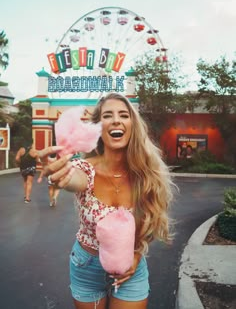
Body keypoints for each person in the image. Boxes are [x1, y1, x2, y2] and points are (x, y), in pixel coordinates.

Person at [38, 93, 174, 309]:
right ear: (97, 128)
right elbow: (75, 179)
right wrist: (62, 175)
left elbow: (151, 220)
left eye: (123, 115)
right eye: (107, 116)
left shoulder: (147, 174)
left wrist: (137, 255)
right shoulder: (86, 169)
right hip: (86, 265)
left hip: (131, 266)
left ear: (132, 125)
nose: (116, 120)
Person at [15, 139, 40, 203]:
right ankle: (27, 198)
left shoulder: (21, 150)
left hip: (23, 168)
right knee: (29, 182)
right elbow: (37, 160)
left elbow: (17, 158)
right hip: (31, 168)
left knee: (25, 181)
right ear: (31, 144)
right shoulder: (33, 151)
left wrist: (20, 162)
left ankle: (25, 195)